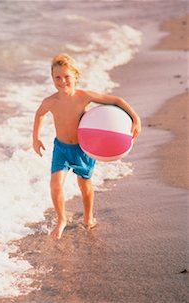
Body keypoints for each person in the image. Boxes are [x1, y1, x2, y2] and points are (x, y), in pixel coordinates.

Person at [32, 53, 141, 240]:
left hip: (84, 149)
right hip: (62, 149)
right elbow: (40, 114)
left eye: (67, 76)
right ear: (52, 79)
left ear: (76, 76)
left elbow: (116, 101)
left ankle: (89, 216)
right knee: (55, 184)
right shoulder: (50, 101)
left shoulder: (84, 97)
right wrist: (36, 138)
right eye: (57, 77)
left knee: (85, 185)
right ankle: (61, 220)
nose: (62, 81)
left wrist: (135, 118)